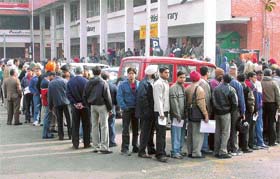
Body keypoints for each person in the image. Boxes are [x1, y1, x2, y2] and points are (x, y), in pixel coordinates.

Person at [84, 66, 112, 154]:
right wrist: (110, 108)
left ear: (93, 72)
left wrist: (88, 104)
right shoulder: (103, 83)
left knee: (94, 126)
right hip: (102, 105)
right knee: (104, 126)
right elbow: (107, 97)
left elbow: (85, 95)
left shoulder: (89, 82)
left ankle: (96, 146)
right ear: (100, 73)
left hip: (93, 105)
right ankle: (104, 147)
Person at [212, 74, 238, 159]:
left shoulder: (216, 89)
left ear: (223, 79)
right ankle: (223, 151)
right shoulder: (231, 89)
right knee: (225, 132)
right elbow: (235, 103)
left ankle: (216, 150)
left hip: (217, 112)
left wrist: (216, 109)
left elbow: (213, 100)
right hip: (226, 112)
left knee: (217, 131)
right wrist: (230, 110)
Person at [186, 71, 209, 158]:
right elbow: (201, 104)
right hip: (197, 114)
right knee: (198, 134)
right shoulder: (199, 89)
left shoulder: (187, 88)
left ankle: (190, 151)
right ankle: (196, 152)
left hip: (190, 113)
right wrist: (206, 115)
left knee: (190, 134)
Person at [117, 67, 139, 156]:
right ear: (127, 74)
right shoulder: (122, 84)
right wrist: (124, 107)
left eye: (133, 73)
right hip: (127, 109)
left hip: (136, 109)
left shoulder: (139, 84)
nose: (131, 75)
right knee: (125, 129)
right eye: (129, 73)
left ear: (135, 74)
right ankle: (125, 148)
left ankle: (135, 146)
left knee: (136, 129)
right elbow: (119, 97)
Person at [67, 67, 91, 149]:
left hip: (75, 106)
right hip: (85, 106)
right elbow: (89, 94)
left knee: (75, 125)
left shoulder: (70, 82)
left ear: (75, 72)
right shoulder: (87, 82)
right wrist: (83, 103)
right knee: (86, 125)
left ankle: (75, 143)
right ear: (82, 72)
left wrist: (75, 103)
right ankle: (87, 143)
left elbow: (68, 94)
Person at [137, 65, 158, 159]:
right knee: (145, 132)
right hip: (146, 112)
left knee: (150, 131)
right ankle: (141, 151)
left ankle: (151, 148)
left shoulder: (151, 82)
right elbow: (142, 98)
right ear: (151, 74)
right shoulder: (144, 83)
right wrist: (147, 110)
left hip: (151, 111)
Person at [48, 72, 72, 140]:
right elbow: (69, 92)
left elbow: (50, 96)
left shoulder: (51, 83)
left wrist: (50, 106)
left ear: (55, 76)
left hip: (57, 103)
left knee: (59, 120)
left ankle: (61, 136)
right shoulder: (65, 81)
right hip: (66, 102)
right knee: (69, 119)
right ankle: (70, 135)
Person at [153, 67, 170, 162]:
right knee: (160, 133)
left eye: (168, 72)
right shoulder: (158, 84)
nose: (167, 74)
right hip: (160, 112)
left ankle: (162, 151)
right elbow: (158, 99)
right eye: (165, 72)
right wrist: (161, 113)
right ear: (160, 73)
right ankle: (160, 154)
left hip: (165, 111)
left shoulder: (165, 82)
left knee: (163, 133)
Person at [229, 66, 247, 155]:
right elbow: (241, 99)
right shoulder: (237, 84)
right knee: (234, 129)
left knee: (226, 129)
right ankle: (234, 148)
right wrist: (243, 112)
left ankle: (227, 147)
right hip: (235, 110)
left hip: (224, 110)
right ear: (235, 73)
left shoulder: (223, 82)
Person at [170, 71, 187, 159]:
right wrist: (177, 115)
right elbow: (174, 103)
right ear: (177, 77)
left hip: (183, 116)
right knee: (176, 134)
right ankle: (175, 152)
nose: (183, 79)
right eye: (181, 77)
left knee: (181, 134)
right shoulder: (174, 88)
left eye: (184, 77)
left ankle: (179, 150)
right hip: (177, 116)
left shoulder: (182, 87)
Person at [261, 69, 280, 146]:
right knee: (272, 122)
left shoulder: (260, 83)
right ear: (270, 74)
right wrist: (278, 105)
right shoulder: (273, 83)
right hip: (272, 104)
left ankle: (263, 139)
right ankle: (272, 141)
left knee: (263, 121)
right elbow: (277, 95)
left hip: (263, 104)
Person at [101, 71, 118, 148]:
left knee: (102, 125)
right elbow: (116, 98)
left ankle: (103, 141)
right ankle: (111, 141)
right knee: (111, 124)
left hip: (102, 107)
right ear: (108, 77)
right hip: (112, 107)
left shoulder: (100, 86)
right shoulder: (113, 86)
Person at [199, 66, 213, 154]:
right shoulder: (204, 83)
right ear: (207, 73)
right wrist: (207, 111)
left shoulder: (200, 82)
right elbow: (206, 98)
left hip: (201, 109)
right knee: (205, 130)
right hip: (205, 109)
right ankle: (204, 147)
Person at [255, 70, 268, 148]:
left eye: (262, 75)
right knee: (259, 125)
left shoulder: (257, 83)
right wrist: (258, 107)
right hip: (258, 108)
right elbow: (258, 97)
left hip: (257, 107)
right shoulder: (258, 83)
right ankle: (260, 142)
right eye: (259, 75)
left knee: (258, 125)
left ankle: (258, 141)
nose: (261, 77)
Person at [41, 72, 56, 139]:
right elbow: (48, 94)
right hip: (47, 103)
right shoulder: (47, 83)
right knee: (47, 118)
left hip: (45, 102)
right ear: (50, 76)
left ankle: (46, 133)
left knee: (47, 118)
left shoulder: (44, 81)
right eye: (53, 76)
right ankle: (46, 134)